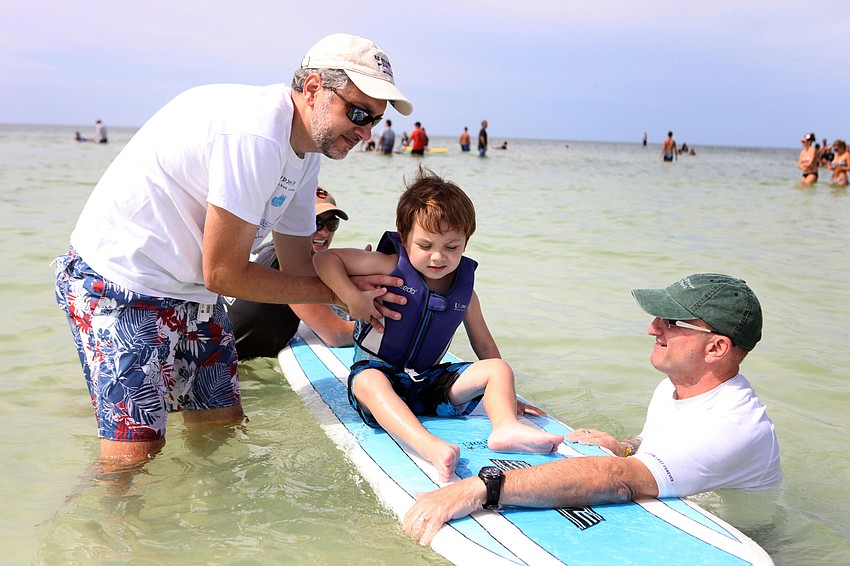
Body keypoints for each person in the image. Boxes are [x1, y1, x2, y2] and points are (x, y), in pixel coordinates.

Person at [52, 33, 413, 469]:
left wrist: (366, 280)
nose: (365, 131)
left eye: (374, 119)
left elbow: (300, 268)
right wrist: (339, 297)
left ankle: (203, 531)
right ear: (314, 88)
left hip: (192, 294)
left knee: (223, 428)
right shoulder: (257, 133)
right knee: (136, 454)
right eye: (357, 113)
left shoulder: (306, 152)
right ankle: (100, 535)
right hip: (120, 283)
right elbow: (223, 275)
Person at [403, 273, 782, 545]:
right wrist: (625, 445)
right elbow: (653, 448)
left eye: (670, 321)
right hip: (671, 505)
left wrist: (481, 487)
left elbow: (621, 480)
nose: (653, 328)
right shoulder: (674, 388)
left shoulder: (733, 426)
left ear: (716, 348)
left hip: (724, 540)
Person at [313, 168, 564, 483]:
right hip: (379, 375)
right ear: (404, 239)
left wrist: (507, 397)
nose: (437, 256)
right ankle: (429, 446)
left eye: (451, 246)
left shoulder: (466, 294)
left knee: (499, 368)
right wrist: (352, 297)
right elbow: (324, 260)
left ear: (465, 242)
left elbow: (485, 348)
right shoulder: (388, 265)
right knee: (368, 382)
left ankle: (505, 428)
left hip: (428, 384)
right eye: (425, 245)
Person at [222, 187, 355, 358]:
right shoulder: (289, 267)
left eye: (331, 223)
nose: (325, 232)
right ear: (294, 223)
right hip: (223, 364)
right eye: (315, 222)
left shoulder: (270, 250)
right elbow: (337, 335)